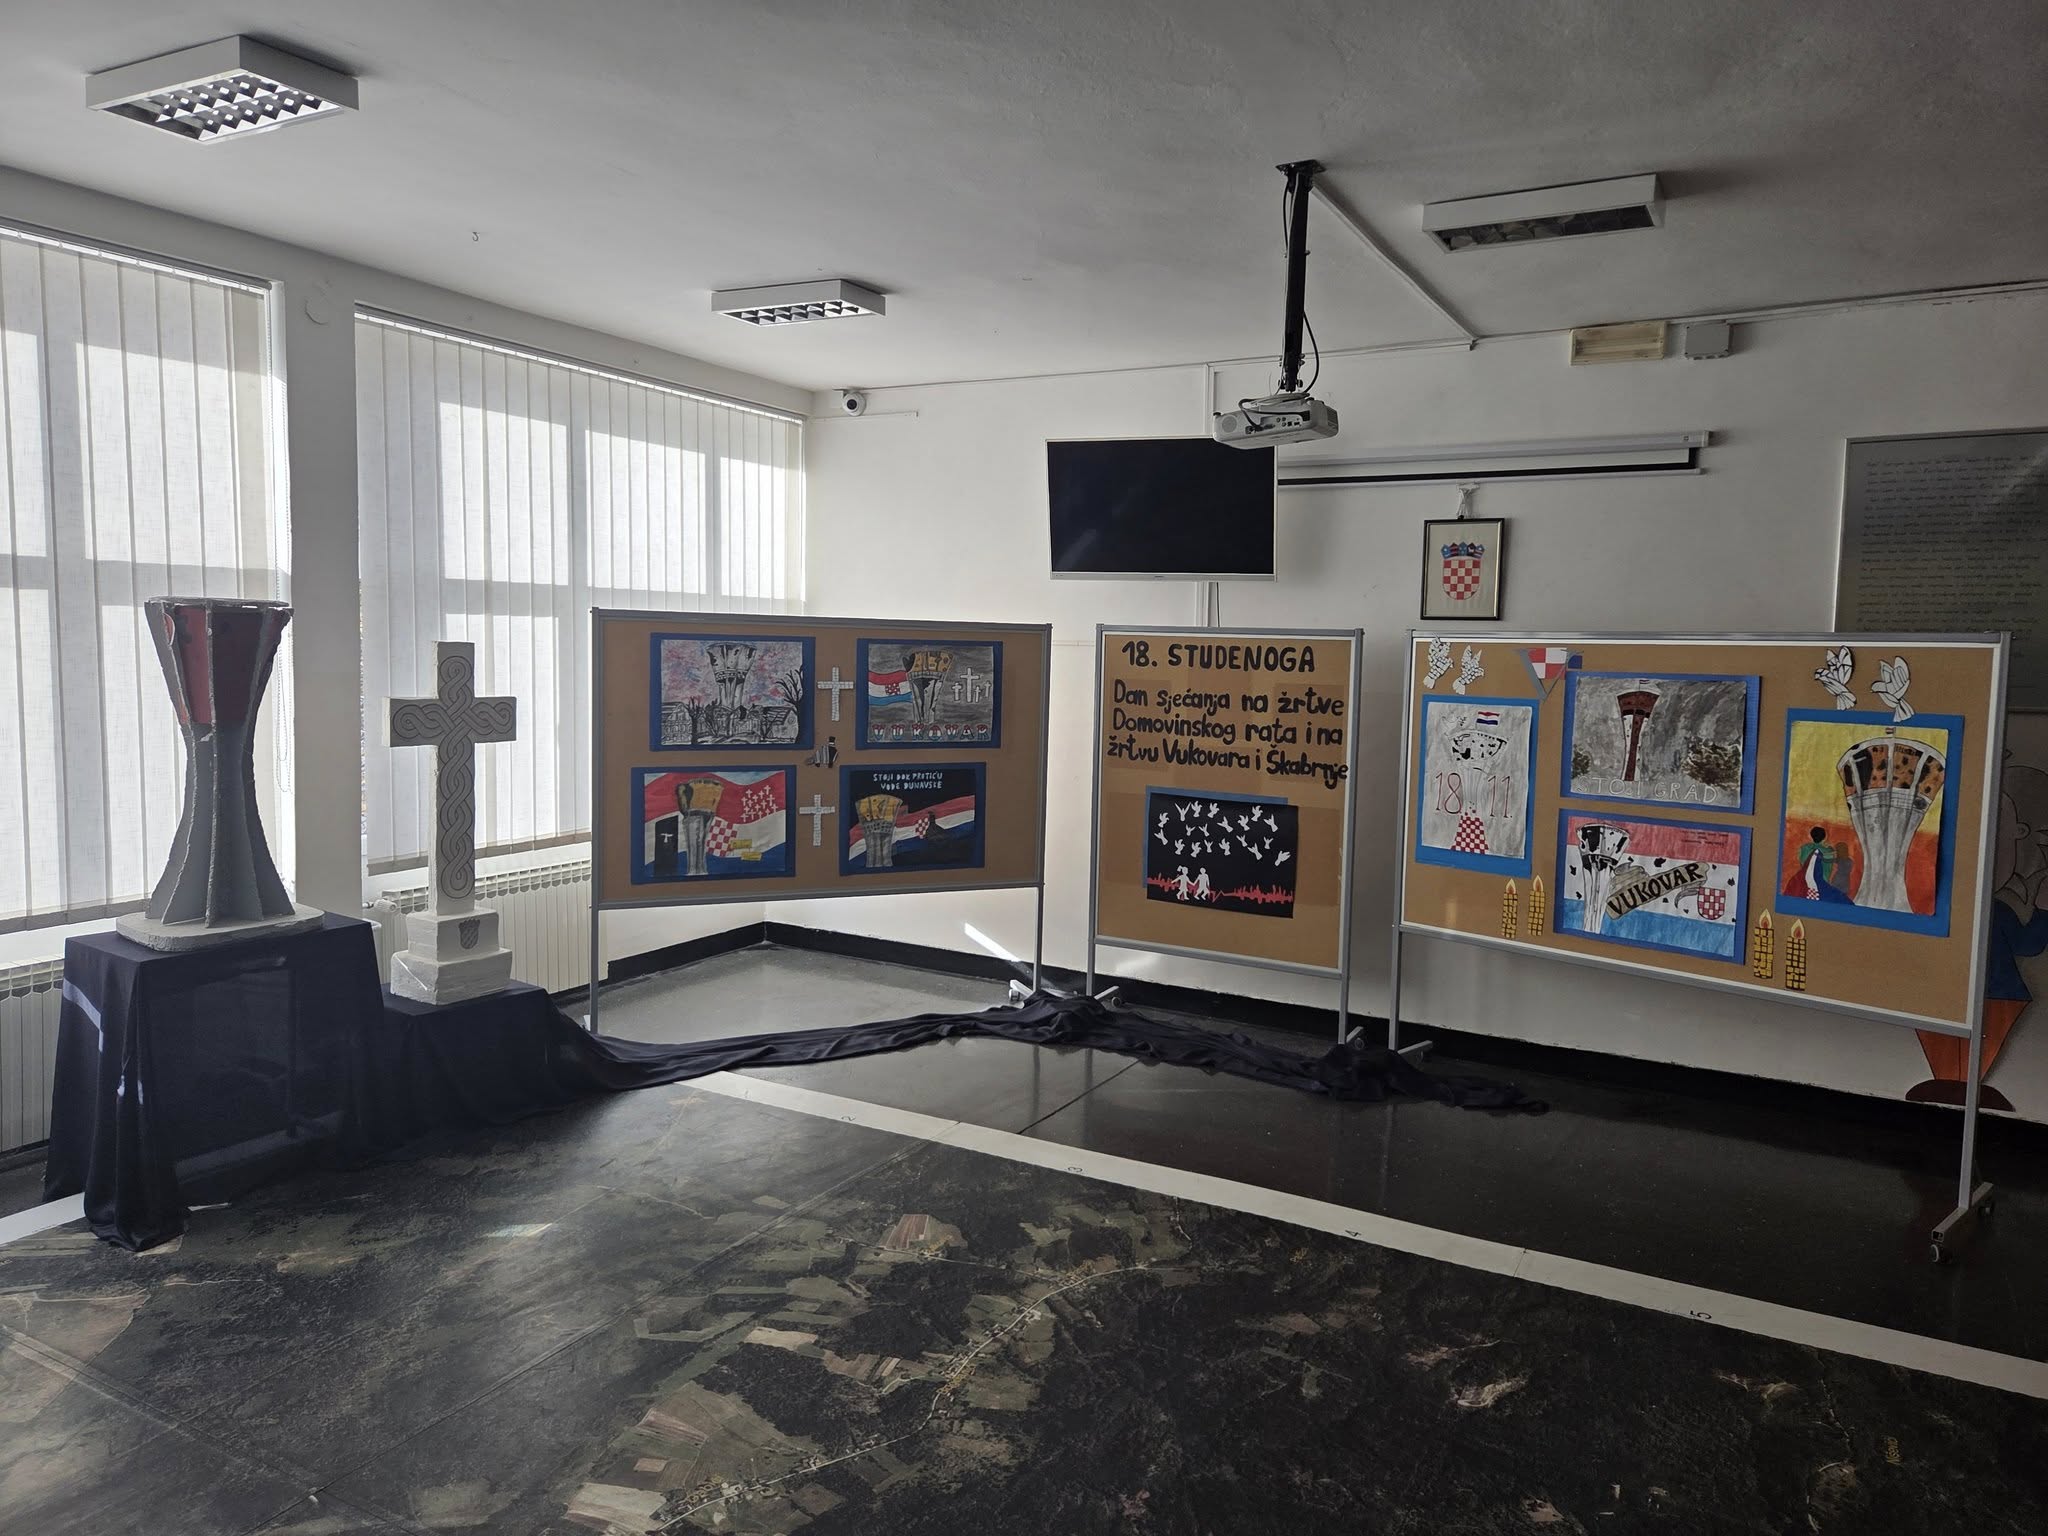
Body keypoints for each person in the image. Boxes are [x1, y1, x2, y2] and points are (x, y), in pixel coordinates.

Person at [1784, 825, 1852, 902]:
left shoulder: (1805, 848)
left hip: (1804, 881)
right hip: (1821, 885)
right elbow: (1829, 864)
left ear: (1811, 836)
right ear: (1824, 838)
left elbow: (1802, 861)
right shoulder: (1828, 851)